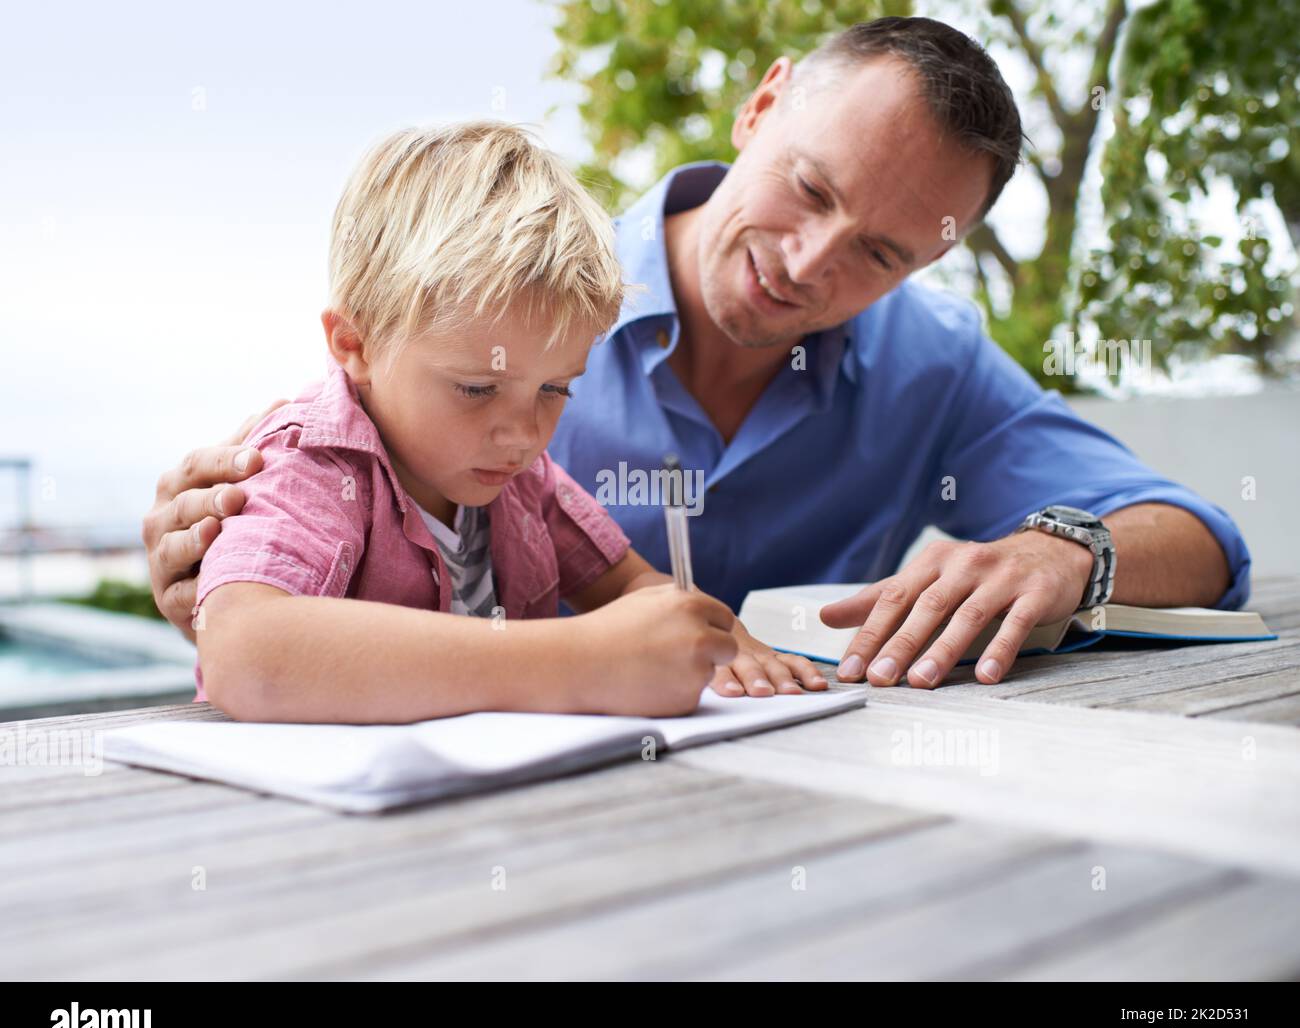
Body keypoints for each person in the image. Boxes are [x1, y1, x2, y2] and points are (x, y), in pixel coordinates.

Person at [144, 17, 1250, 695]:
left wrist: (1063, 555)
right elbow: (273, 590)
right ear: (760, 105)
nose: (810, 263)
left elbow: (1200, 539)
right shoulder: (505, 291)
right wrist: (220, 561)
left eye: (877, 253)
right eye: (809, 188)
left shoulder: (936, 367)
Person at [187, 120, 828, 724]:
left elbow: (629, 581)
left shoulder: (522, 481)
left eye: (555, 388)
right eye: (476, 387)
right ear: (354, 342)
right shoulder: (317, 465)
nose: (523, 435)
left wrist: (716, 638)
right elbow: (242, 650)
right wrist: (581, 661)